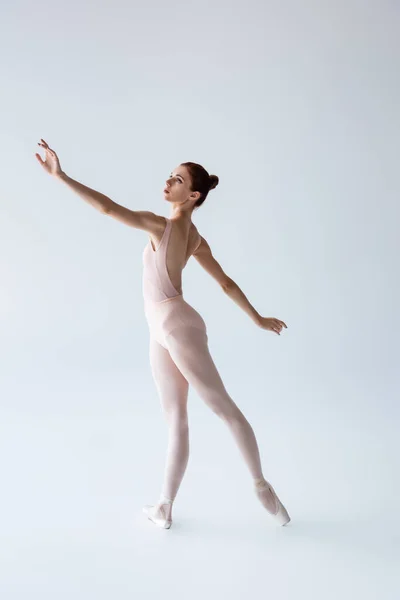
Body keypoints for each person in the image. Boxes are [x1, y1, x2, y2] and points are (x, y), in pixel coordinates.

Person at [36, 138, 291, 529]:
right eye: (169, 176)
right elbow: (225, 283)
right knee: (175, 417)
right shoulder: (194, 238)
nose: (167, 181)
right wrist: (255, 317)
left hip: (176, 324)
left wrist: (62, 176)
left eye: (177, 179)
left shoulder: (164, 226)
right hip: (163, 328)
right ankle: (164, 506)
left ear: (193, 195)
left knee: (223, 408)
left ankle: (261, 485)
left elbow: (107, 208)